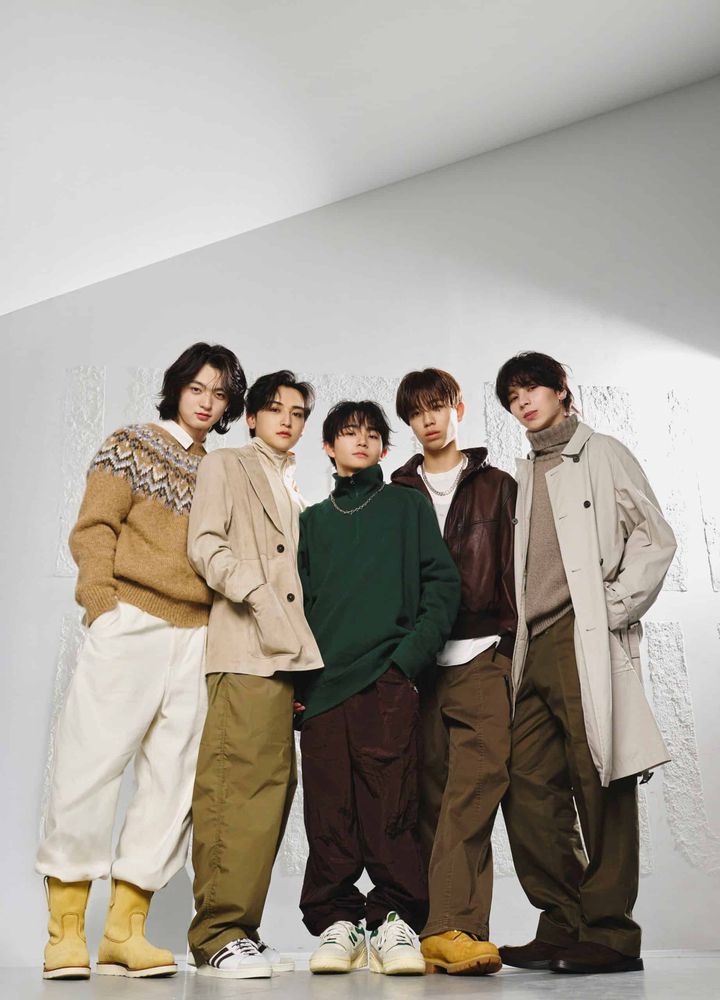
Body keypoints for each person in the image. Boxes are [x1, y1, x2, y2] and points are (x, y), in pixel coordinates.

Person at [37, 342, 246, 980]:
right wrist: (102, 605)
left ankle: (125, 931)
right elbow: (94, 527)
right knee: (88, 766)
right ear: (177, 386)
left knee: (173, 782)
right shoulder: (131, 442)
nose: (207, 402)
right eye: (197, 388)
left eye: (220, 394)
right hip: (131, 619)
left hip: (199, 634)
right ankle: (64, 932)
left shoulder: (222, 471)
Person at [495, 351, 676, 976]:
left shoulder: (603, 453)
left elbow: (655, 537)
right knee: (524, 782)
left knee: (601, 780)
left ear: (561, 391)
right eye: (512, 396)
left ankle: (611, 933)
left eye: (532, 389)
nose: (523, 402)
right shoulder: (525, 472)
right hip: (532, 642)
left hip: (583, 633)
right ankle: (563, 920)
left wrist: (612, 607)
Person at [296, 400, 461, 976]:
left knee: (392, 807)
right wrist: (299, 682)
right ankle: (337, 923)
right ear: (328, 447)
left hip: (386, 680)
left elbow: (442, 585)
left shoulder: (405, 504)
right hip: (322, 688)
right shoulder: (312, 521)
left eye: (371, 434)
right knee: (328, 813)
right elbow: (301, 604)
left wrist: (406, 662)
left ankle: (395, 922)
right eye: (348, 433)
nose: (360, 441)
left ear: (385, 448)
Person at [186, 371, 323, 979]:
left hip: (285, 659)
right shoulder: (226, 465)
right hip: (243, 648)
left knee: (270, 793)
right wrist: (260, 598)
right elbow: (206, 546)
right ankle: (215, 934)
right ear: (250, 416)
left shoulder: (292, 486)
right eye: (275, 409)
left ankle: (242, 928)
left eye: (298, 412)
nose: (287, 420)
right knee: (232, 788)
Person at [391, 367, 516, 975]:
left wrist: (510, 649)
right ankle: (432, 932)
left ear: (457, 408)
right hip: (419, 664)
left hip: (482, 652)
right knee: (427, 799)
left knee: (476, 789)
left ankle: (453, 926)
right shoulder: (396, 491)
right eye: (417, 413)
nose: (429, 421)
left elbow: (517, 570)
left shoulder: (498, 486)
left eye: (437, 407)